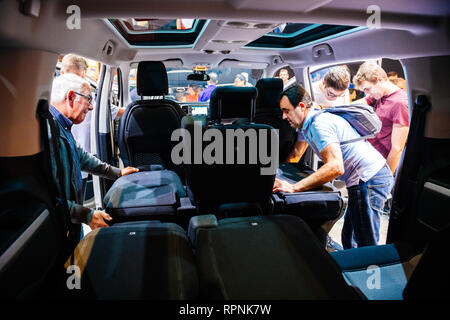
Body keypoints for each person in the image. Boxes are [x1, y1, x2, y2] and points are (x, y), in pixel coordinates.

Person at [273, 84, 393, 249]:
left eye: (286, 111)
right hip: (364, 178)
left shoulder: (318, 124)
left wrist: (294, 188)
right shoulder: (310, 123)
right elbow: (296, 154)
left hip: (370, 178)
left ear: (301, 107)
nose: (283, 116)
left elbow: (336, 167)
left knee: (366, 243)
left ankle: (372, 273)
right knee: (349, 238)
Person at [50, 73, 139, 233]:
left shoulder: (62, 127)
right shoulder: (49, 133)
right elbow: (48, 197)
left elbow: (81, 157)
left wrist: (117, 173)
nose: (91, 107)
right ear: (70, 98)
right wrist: (86, 215)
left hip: (68, 223)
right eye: (88, 100)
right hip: (57, 228)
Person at [353, 62, 409, 175]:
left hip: (381, 166)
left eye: (367, 89)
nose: (367, 94)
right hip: (370, 159)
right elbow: (356, 105)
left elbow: (397, 149)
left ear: (379, 80)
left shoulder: (400, 103)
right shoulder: (380, 95)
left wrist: (385, 178)